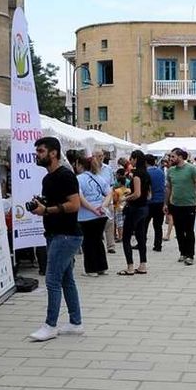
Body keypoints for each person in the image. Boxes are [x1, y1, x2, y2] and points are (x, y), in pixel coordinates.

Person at [27, 137, 84, 341]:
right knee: (67, 279)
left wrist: (48, 209)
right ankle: (75, 322)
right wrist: (41, 206)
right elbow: (54, 205)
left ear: (53, 153)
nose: (37, 155)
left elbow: (75, 204)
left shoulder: (66, 176)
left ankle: (50, 325)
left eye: (41, 151)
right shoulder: (47, 179)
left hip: (66, 235)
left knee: (52, 280)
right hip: (54, 233)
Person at [165, 148, 196, 266]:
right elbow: (168, 188)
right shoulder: (171, 171)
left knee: (189, 231)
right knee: (179, 231)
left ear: (180, 157)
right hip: (175, 204)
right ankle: (182, 252)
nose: (170, 159)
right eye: (170, 157)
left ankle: (190, 255)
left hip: (189, 204)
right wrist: (165, 203)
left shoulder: (191, 169)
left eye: (173, 157)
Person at [118, 150, 151, 276]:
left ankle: (130, 266)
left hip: (135, 208)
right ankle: (143, 265)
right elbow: (148, 194)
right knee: (140, 236)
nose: (130, 161)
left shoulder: (137, 175)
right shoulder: (146, 174)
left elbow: (137, 194)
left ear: (136, 159)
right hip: (144, 207)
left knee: (126, 237)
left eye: (131, 158)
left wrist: (125, 198)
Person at [75, 156, 109, 277]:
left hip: (86, 215)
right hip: (101, 214)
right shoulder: (100, 178)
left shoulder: (78, 179)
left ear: (80, 165)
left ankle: (91, 269)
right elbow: (109, 192)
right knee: (98, 240)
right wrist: (103, 205)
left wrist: (92, 209)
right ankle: (102, 267)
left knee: (88, 241)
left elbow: (80, 197)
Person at [93, 150, 117, 254]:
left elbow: (112, 184)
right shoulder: (91, 170)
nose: (100, 158)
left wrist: (110, 196)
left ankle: (111, 246)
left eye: (102, 156)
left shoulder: (108, 169)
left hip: (108, 199)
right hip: (95, 201)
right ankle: (97, 245)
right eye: (98, 156)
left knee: (110, 223)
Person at [145, 154, 167, 252]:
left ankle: (142, 242)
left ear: (145, 162)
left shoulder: (145, 173)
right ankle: (158, 245)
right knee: (158, 225)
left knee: (144, 224)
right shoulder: (160, 171)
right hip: (160, 201)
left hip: (149, 202)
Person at [112, 170, 129, 242]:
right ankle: (125, 235)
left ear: (119, 183)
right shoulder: (129, 190)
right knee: (125, 222)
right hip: (126, 207)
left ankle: (119, 236)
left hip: (118, 208)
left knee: (119, 223)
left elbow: (115, 200)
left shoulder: (117, 191)